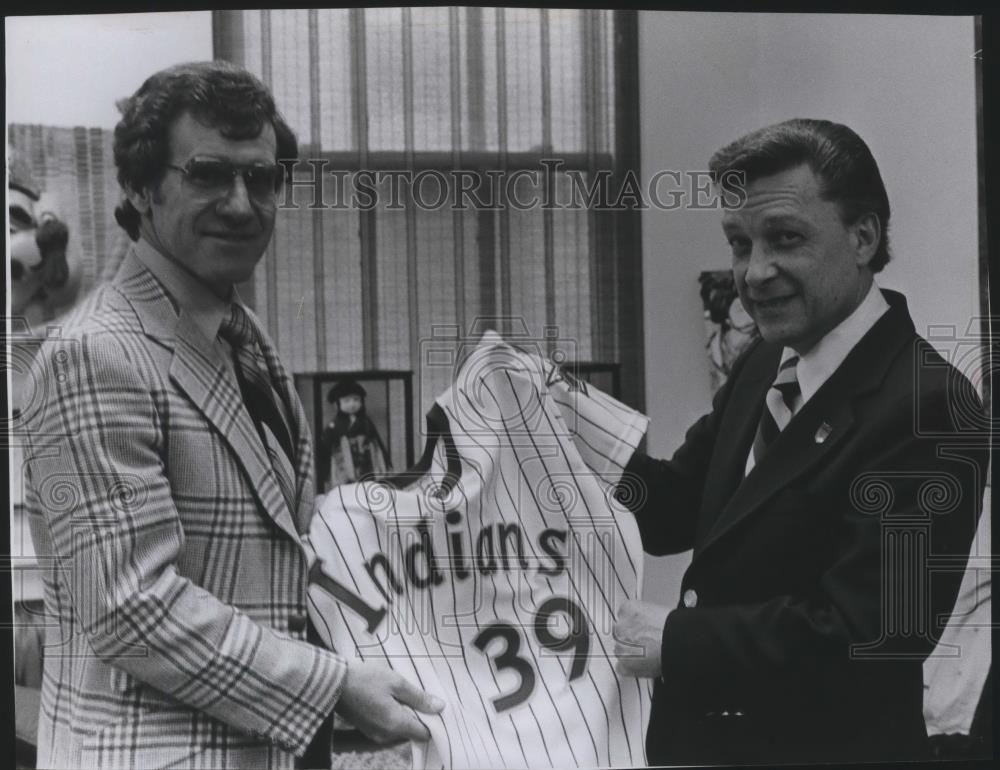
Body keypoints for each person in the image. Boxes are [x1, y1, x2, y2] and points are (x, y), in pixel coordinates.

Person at [21, 61, 442, 770]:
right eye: (210, 174)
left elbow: (277, 555)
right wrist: (337, 685)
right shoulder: (94, 353)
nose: (242, 204)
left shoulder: (242, 338)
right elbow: (133, 608)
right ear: (140, 188)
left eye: (262, 179)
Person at [612, 118, 988, 765]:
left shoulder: (932, 403)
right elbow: (675, 507)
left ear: (863, 236)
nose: (754, 273)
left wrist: (675, 640)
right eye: (739, 243)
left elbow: (874, 634)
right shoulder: (765, 360)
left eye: (785, 239)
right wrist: (574, 435)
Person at [317, 379, 390, 491]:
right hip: (343, 467)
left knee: (368, 489)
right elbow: (325, 450)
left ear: (361, 402)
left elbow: (377, 444)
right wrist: (325, 470)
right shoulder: (333, 426)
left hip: (367, 464)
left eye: (356, 399)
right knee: (346, 492)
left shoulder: (366, 422)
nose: (352, 404)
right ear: (337, 404)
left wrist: (382, 463)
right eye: (346, 401)